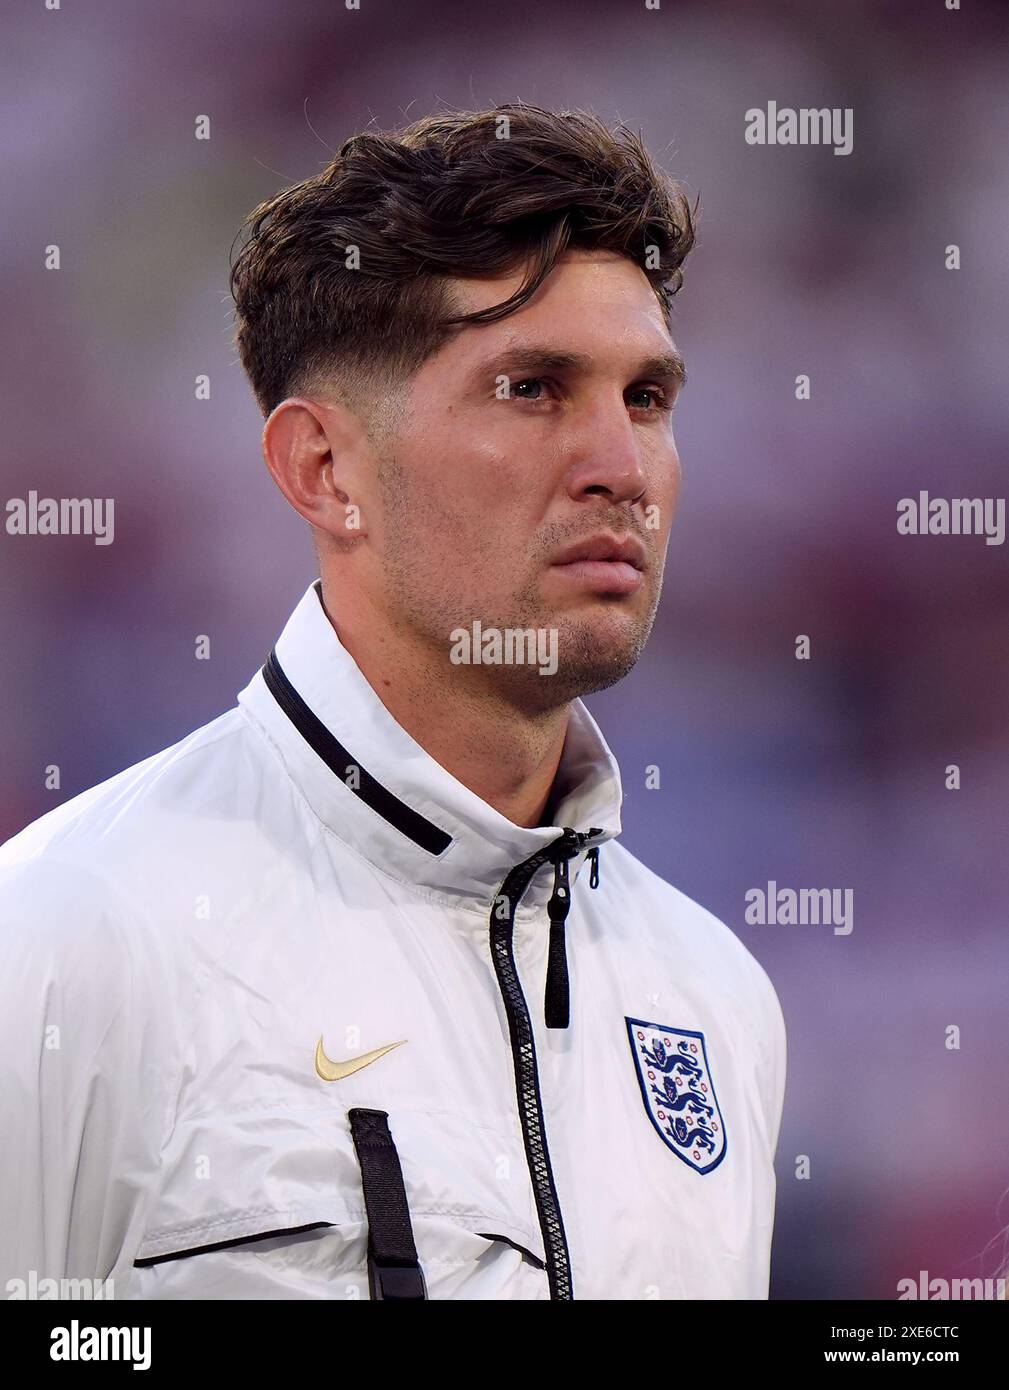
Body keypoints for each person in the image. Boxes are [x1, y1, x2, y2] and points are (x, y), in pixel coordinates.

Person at [0, 103, 786, 1301]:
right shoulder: (64, 933)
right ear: (324, 469)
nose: (622, 469)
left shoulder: (714, 996)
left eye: (645, 398)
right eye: (532, 388)